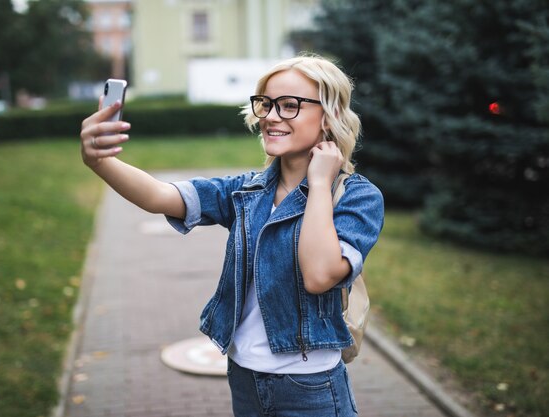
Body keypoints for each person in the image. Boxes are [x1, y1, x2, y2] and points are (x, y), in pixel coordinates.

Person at [80, 54, 384, 417]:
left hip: (310, 388)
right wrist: (100, 161)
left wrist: (319, 183)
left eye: (290, 106)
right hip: (244, 378)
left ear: (329, 117)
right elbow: (159, 196)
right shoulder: (246, 191)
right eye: (266, 104)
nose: (271, 116)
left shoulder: (357, 198)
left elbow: (320, 276)